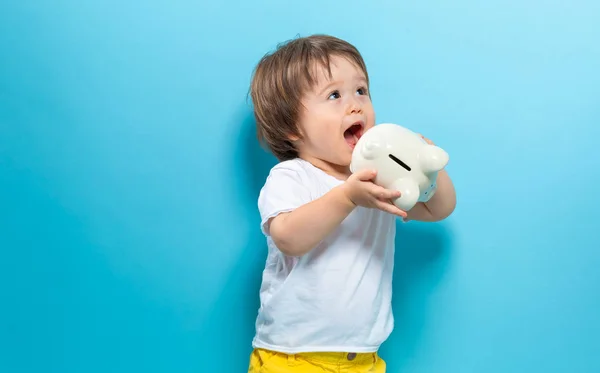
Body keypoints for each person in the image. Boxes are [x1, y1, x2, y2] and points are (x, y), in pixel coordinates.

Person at [246, 34, 456, 372]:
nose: (355, 104)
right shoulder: (292, 176)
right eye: (334, 95)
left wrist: (428, 169)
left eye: (361, 91)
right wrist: (347, 196)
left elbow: (437, 209)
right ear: (292, 128)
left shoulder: (379, 177)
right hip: (294, 357)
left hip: (363, 358)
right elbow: (288, 237)